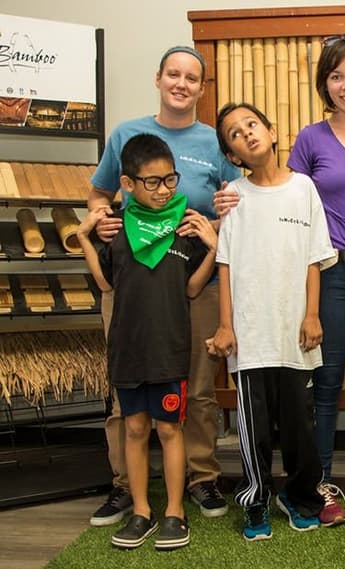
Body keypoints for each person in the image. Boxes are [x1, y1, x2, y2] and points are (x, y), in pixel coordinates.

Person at [215, 33, 345, 524]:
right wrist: (225, 204)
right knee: (325, 382)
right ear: (324, 85)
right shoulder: (310, 138)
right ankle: (321, 482)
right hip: (329, 274)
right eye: (336, 76)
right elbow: (285, 201)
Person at [87, 46, 240, 527]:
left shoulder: (216, 142)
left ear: (201, 87)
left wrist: (212, 227)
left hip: (191, 277)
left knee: (195, 387)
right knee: (123, 388)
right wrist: (98, 223)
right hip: (129, 279)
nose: (181, 84)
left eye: (191, 78)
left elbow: (237, 206)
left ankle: (200, 477)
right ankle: (122, 487)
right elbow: (99, 195)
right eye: (173, 74)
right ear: (158, 79)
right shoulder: (127, 133)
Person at [77, 134, 218, 550]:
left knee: (170, 430)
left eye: (169, 180)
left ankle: (175, 512)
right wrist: (85, 240)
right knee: (135, 429)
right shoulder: (117, 232)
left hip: (170, 351)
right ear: (127, 183)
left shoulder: (184, 228)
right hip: (127, 351)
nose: (163, 190)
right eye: (152, 182)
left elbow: (193, 290)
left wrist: (212, 246)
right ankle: (141, 511)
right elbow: (105, 283)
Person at [208, 102, 335, 538]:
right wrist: (226, 326)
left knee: (301, 425)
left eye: (252, 125)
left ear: (272, 131)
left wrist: (312, 314)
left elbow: (315, 260)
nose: (246, 134)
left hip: (295, 333)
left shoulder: (304, 189)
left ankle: (300, 497)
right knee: (254, 430)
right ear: (232, 154)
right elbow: (224, 265)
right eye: (234, 134)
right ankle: (256, 502)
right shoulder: (233, 199)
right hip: (250, 337)